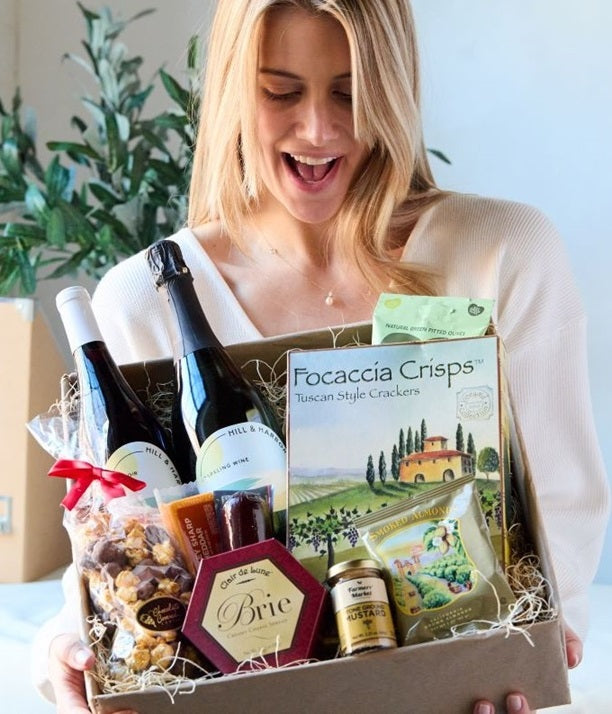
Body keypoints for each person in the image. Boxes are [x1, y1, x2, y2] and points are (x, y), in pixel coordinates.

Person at [34, 1, 609, 713]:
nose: (317, 130)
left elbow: (560, 509)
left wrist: (523, 653)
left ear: (395, 89)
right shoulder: (143, 301)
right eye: (281, 91)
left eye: (351, 91)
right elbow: (127, 542)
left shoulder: (503, 254)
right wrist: (68, 642)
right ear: (232, 93)